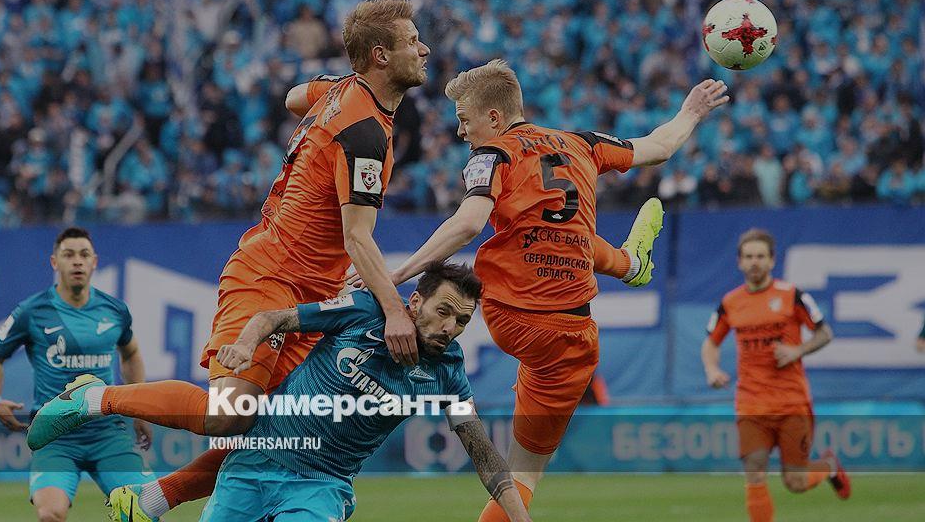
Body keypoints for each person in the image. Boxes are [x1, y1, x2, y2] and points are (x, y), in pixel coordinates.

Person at [27, 0, 431, 520]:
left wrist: (334, 95)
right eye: (412, 41)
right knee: (229, 413)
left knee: (278, 431)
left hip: (309, 292)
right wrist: (395, 309)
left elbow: (293, 96)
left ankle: (152, 499)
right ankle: (93, 398)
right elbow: (358, 237)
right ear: (381, 55)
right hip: (271, 274)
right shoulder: (365, 133)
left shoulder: (343, 93)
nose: (424, 48)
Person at [352, 59, 729, 521]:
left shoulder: (492, 154)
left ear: (494, 117)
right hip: (569, 340)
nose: (460, 131)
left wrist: (396, 274)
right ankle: (630, 263)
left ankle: (630, 264)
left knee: (540, 235)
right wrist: (692, 111)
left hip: (507, 312)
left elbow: (468, 223)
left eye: (465, 119)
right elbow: (659, 147)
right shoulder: (582, 143)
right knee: (523, 476)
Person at [184, 261, 531, 521]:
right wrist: (245, 346)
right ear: (415, 302)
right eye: (443, 311)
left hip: (321, 486)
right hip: (257, 460)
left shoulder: (448, 371)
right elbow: (270, 319)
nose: (449, 327)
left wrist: (520, 518)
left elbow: (483, 453)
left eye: (462, 321)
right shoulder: (364, 311)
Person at [0, 227, 153, 522]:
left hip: (107, 432)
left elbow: (132, 353)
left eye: (84, 255)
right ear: (54, 262)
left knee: (145, 512)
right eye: (68, 254)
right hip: (54, 436)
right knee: (50, 514)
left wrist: (140, 408)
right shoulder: (32, 311)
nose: (77, 261)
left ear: (94, 262)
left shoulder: (114, 310)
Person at [701, 228, 850, 522]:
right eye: (748, 257)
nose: (754, 262)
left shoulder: (792, 296)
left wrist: (798, 351)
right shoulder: (730, 302)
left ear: (772, 261)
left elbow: (825, 333)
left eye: (760, 256)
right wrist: (711, 369)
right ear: (739, 262)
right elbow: (710, 342)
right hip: (751, 404)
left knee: (795, 482)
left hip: (791, 402)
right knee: (754, 470)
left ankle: (828, 467)